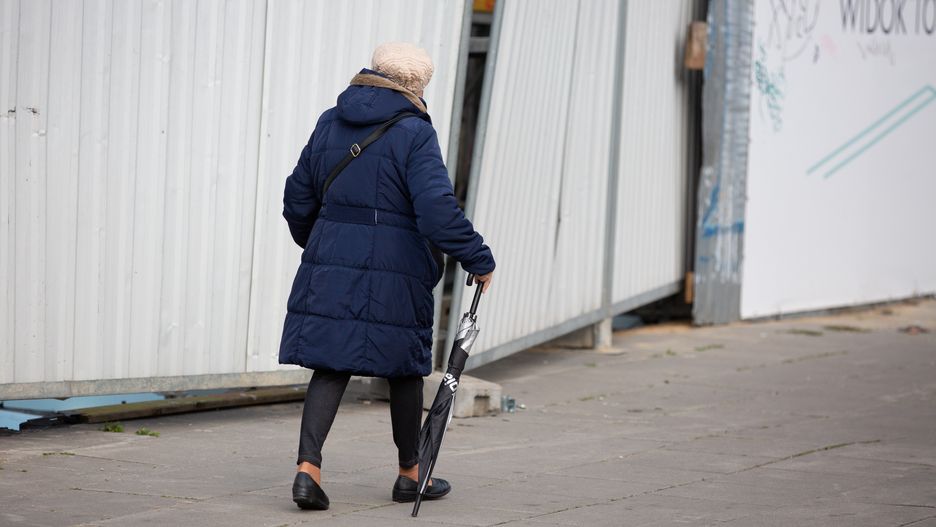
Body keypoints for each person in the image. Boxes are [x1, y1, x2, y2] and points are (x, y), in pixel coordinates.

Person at [279, 42, 495, 511]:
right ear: (418, 85)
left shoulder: (330, 120)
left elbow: (297, 196)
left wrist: (323, 244)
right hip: (399, 266)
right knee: (405, 367)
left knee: (330, 362)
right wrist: (477, 256)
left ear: (375, 70)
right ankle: (409, 475)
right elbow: (436, 210)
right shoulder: (415, 131)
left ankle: (307, 472)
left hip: (332, 256)